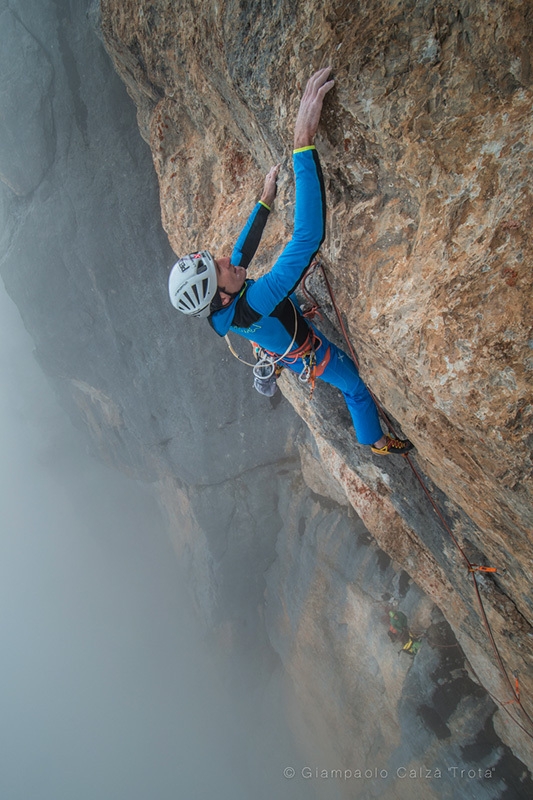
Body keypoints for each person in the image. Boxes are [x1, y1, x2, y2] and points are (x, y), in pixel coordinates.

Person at [168, 68, 413, 456]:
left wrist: (265, 199)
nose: (224, 260)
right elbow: (307, 238)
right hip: (309, 354)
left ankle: (294, 337)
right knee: (354, 385)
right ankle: (377, 441)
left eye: (213, 260)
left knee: (287, 304)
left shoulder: (225, 303)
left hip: (283, 326)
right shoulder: (253, 302)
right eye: (218, 269)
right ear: (225, 298)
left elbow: (242, 253)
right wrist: (303, 143)